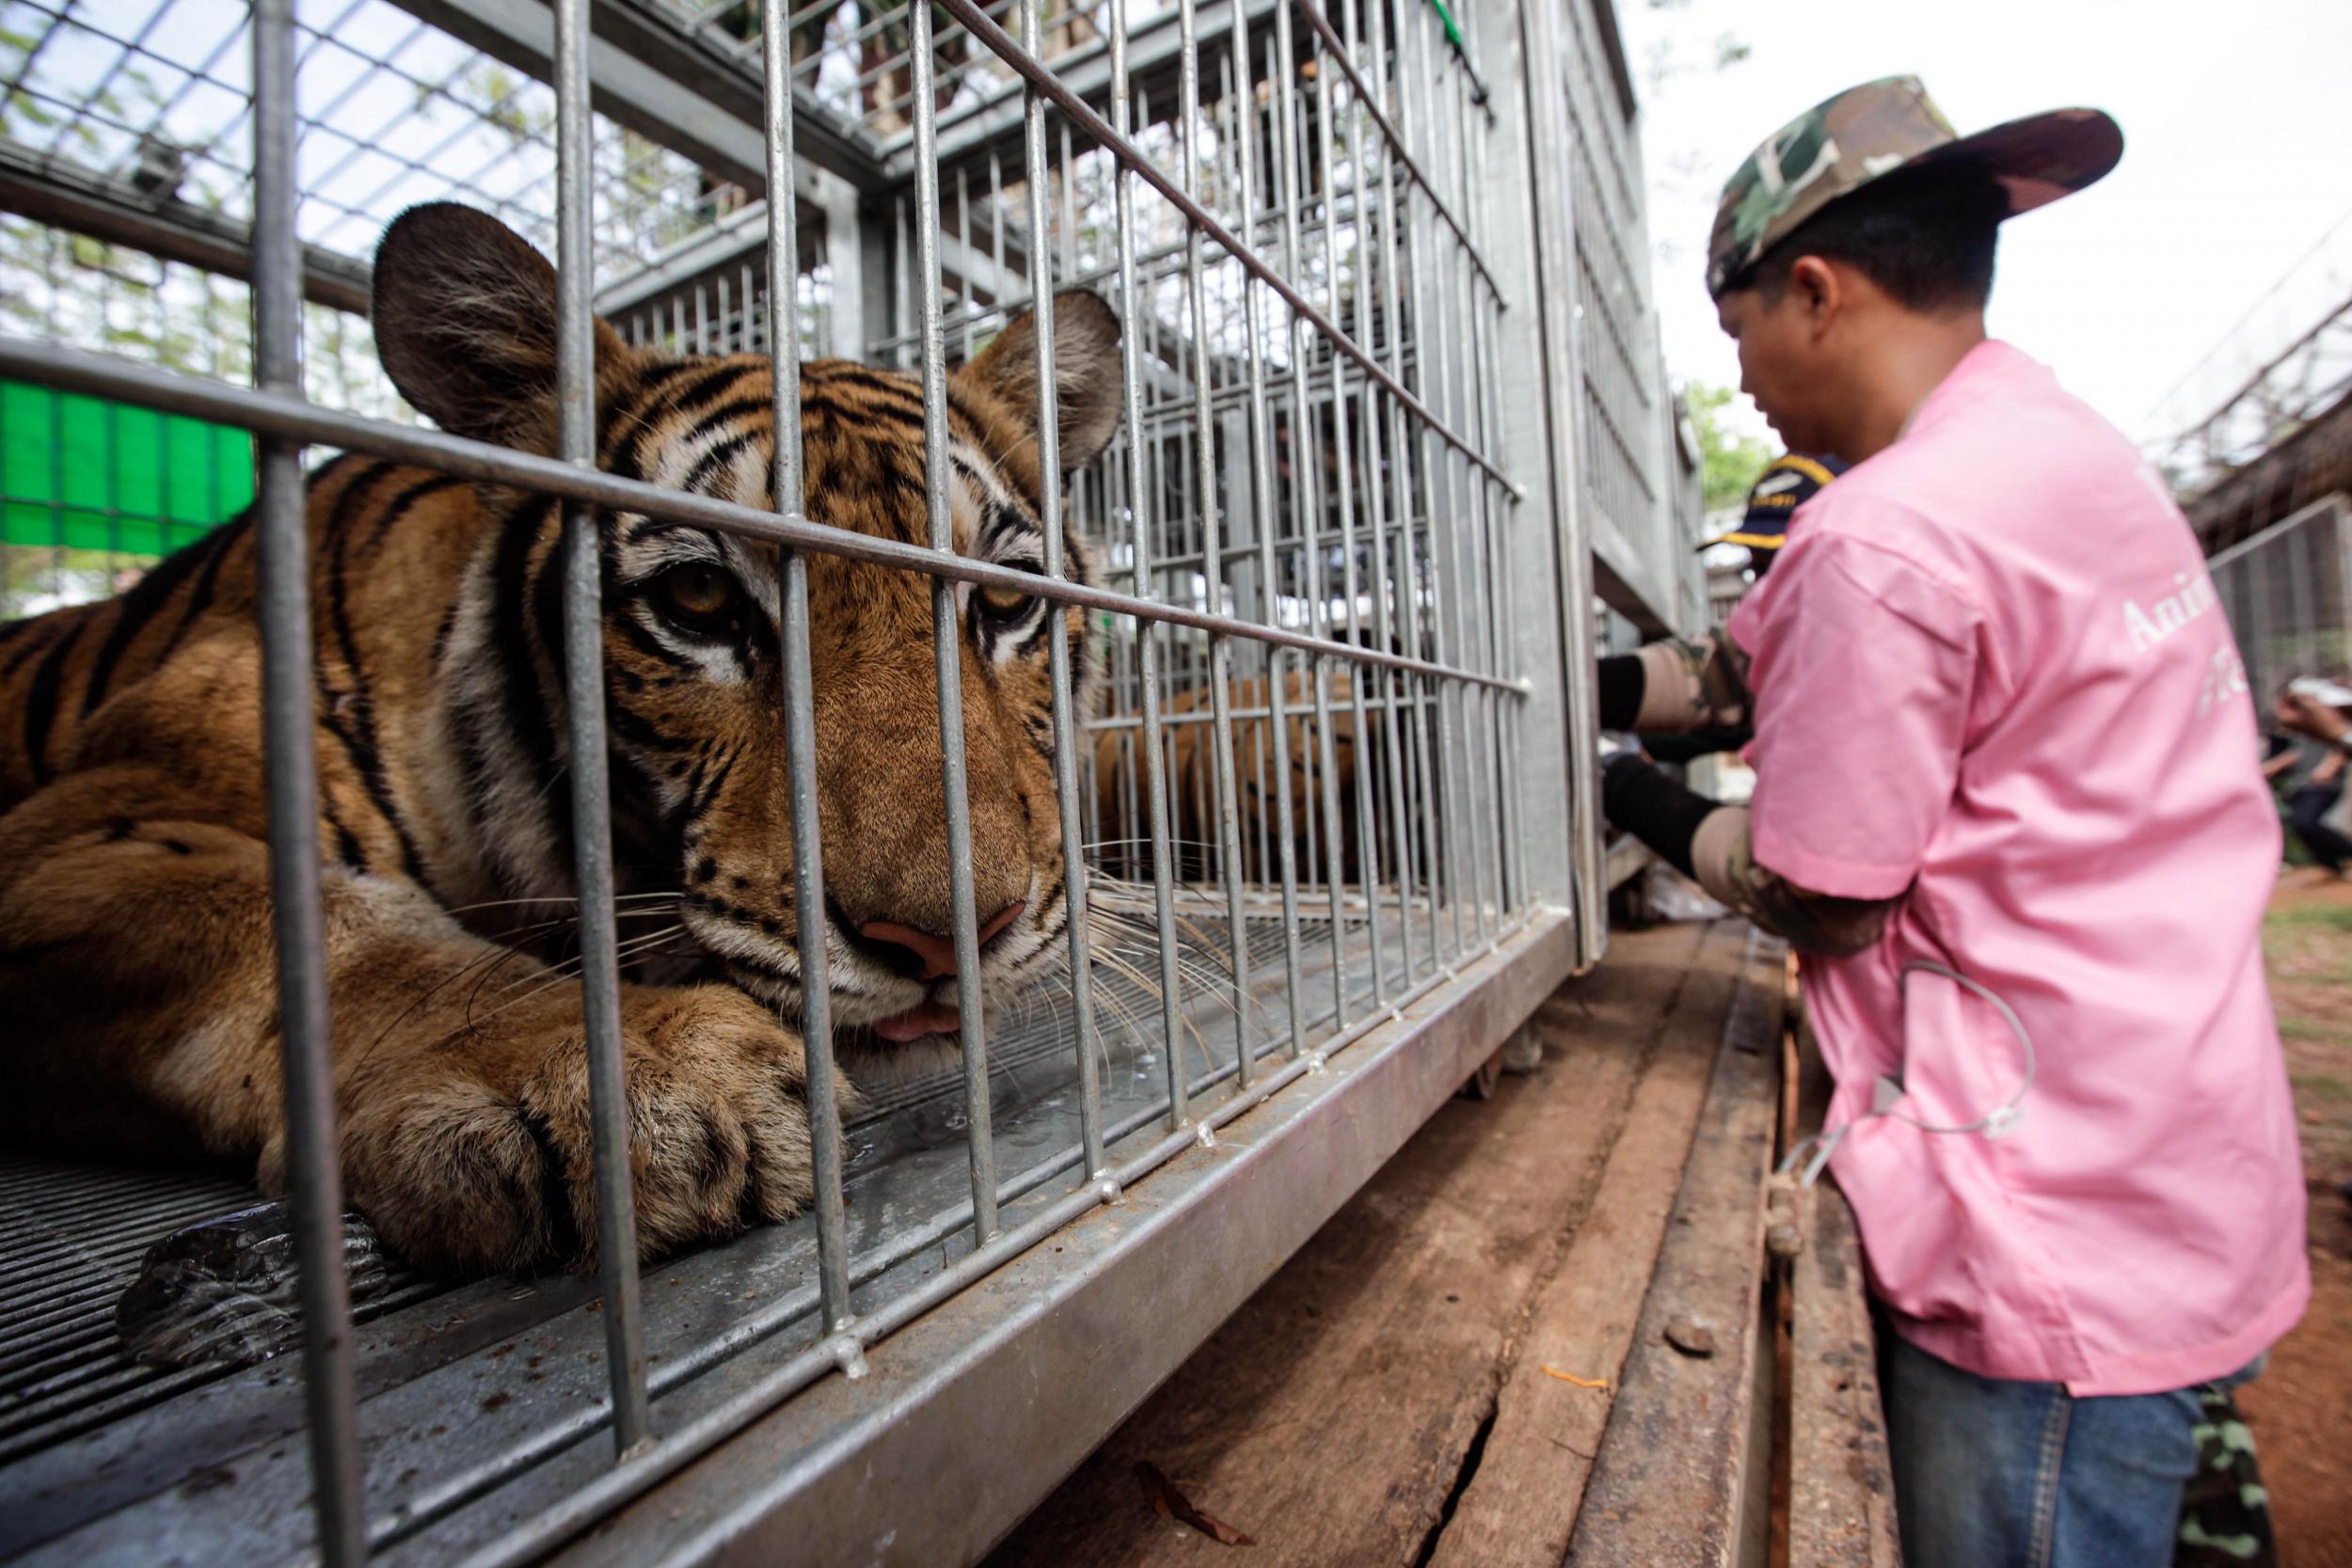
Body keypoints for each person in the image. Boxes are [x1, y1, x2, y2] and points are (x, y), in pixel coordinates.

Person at [1598, 77, 2303, 1568]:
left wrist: (1630, 796)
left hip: (2042, 1228)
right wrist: (1584, 685)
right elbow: (1749, 666)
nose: (1750, 388)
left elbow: (1824, 893)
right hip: (2175, 1152)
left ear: (1812, 290)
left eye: (1739, 342)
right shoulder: (2059, 455)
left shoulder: (1887, 533)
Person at [2266, 689, 2352, 874]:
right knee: (2299, 824)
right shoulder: (2295, 732)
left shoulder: (2335, 726)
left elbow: (2338, 749)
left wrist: (2329, 766)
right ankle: (2332, 865)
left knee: (2305, 822)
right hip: (2298, 787)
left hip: (2321, 786)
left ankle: (2344, 857)